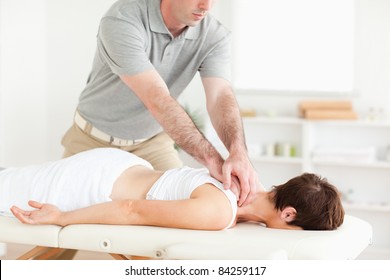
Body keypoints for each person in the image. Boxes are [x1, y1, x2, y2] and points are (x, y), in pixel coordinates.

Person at [61, 0, 260, 207]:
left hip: (152, 142)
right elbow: (156, 98)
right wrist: (213, 161)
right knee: (59, 219)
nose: (206, 6)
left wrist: (238, 152)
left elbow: (220, 95)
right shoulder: (123, 19)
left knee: (187, 205)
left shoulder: (214, 35)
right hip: (92, 140)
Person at [1, 148, 344, 231]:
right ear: (288, 214)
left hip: (119, 165)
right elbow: (130, 210)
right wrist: (62, 218)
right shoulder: (220, 211)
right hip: (93, 184)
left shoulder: (244, 185)